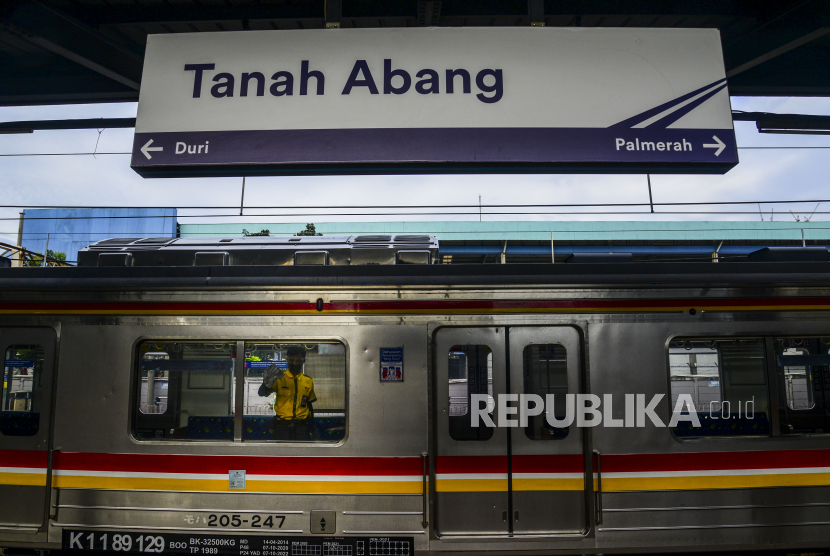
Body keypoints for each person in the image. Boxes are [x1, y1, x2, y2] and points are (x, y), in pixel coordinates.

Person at [258, 345, 317, 440]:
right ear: (287, 360)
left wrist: (312, 428)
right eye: (291, 360)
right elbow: (261, 393)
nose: (294, 363)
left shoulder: (308, 381)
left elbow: (309, 405)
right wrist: (265, 383)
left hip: (301, 427)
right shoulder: (278, 378)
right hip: (282, 427)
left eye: (298, 361)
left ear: (303, 361)